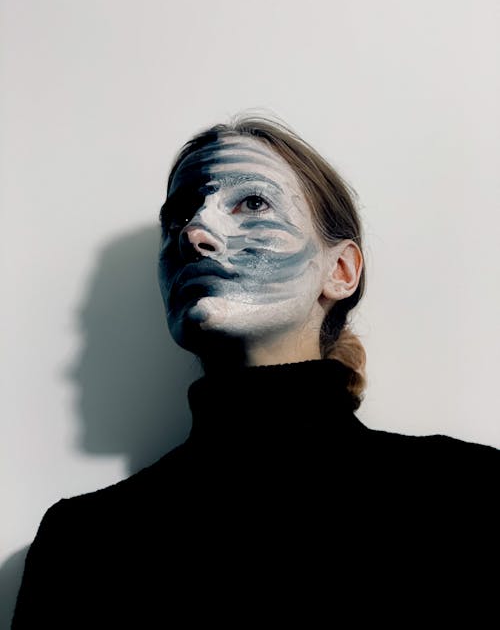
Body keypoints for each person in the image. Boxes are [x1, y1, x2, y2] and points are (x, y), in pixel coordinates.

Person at [12, 112, 499, 627]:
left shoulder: (469, 497)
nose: (195, 233)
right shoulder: (83, 541)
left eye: (252, 204)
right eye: (178, 217)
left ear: (340, 271)